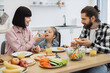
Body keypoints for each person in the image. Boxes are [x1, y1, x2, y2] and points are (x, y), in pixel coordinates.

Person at [71, 5, 110, 73]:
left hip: (102, 64)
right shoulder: (86, 28)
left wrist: (91, 44)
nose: (81, 22)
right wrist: (76, 45)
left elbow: (108, 51)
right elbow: (80, 44)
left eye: (84, 19)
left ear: (92, 18)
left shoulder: (106, 29)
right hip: (86, 61)